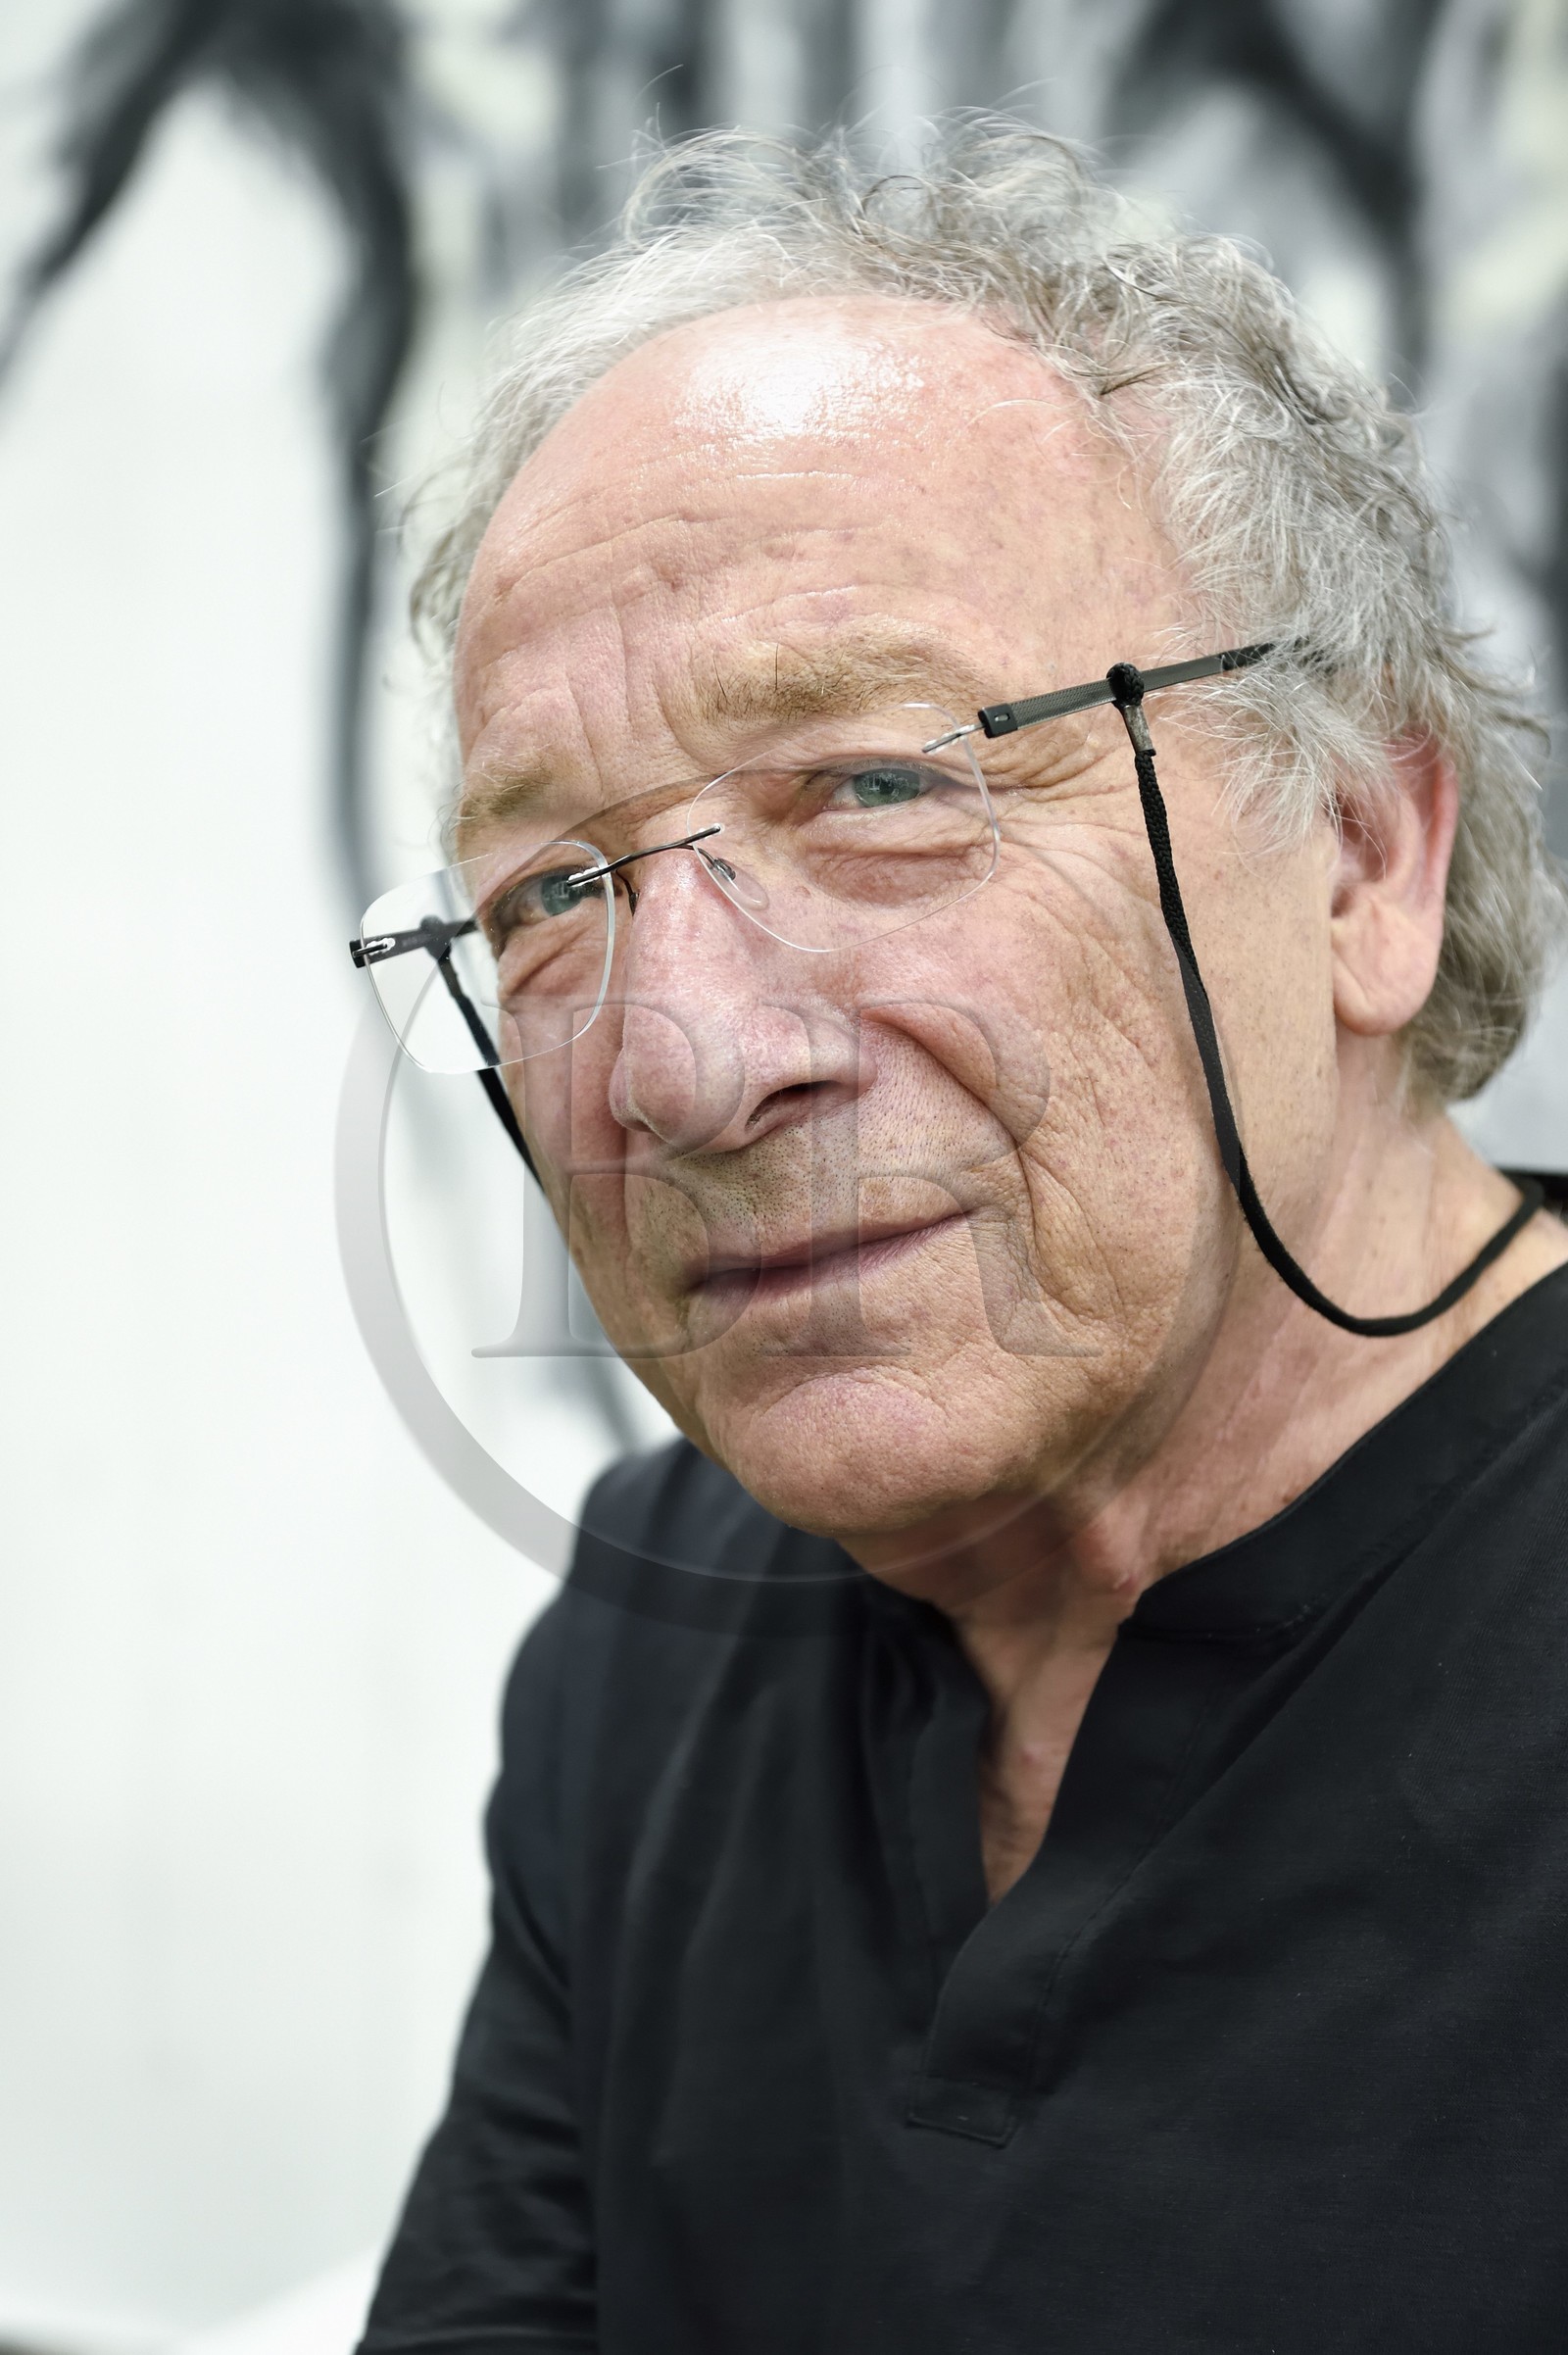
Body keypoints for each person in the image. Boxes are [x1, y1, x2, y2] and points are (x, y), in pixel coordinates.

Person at [352, 124, 1568, 2353]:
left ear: (1364, 856)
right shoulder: (656, 1639)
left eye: (880, 784)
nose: (683, 1064)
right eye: (547, 896)